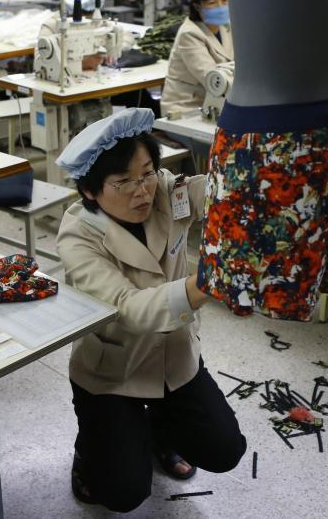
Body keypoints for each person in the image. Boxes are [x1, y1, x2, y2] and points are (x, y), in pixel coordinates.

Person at [54, 108, 246, 513]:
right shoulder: (78, 236)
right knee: (121, 493)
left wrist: (247, 177)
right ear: (90, 191)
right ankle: (88, 451)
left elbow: (208, 191)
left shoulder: (163, 192)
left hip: (172, 357)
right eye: (124, 182)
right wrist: (208, 283)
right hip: (114, 371)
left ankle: (160, 432)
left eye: (146, 173)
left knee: (225, 449)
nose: (141, 190)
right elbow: (130, 309)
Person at [162, 0, 233, 114]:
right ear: (197, 6)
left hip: (216, 104)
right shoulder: (189, 34)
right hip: (185, 109)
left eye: (224, 0)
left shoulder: (227, 28)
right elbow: (212, 79)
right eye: (212, 2)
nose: (221, 6)